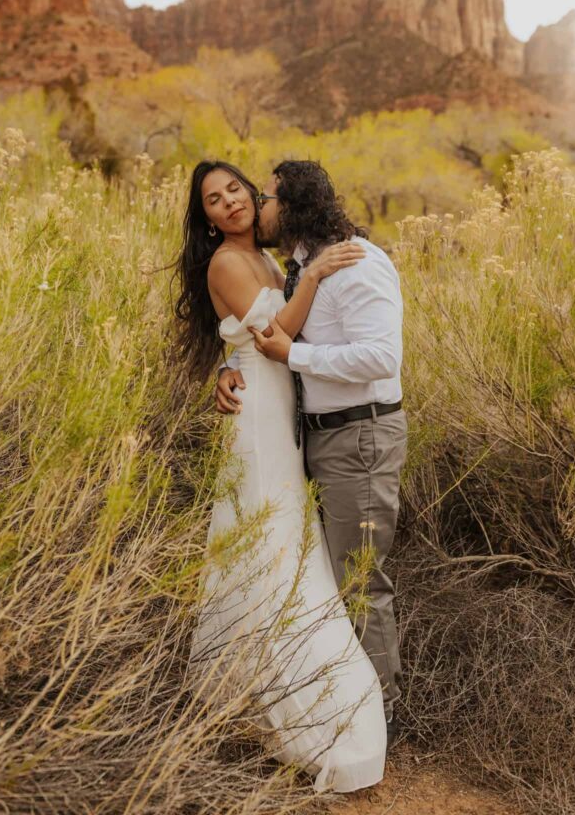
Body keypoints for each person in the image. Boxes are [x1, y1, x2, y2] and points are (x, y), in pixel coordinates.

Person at [174, 159, 387, 793]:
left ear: (252, 194)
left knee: (288, 538)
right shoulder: (226, 264)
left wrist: (225, 360)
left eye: (235, 189)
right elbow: (272, 336)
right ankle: (280, 699)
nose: (230, 203)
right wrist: (316, 275)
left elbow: (252, 340)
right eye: (213, 200)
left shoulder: (268, 259)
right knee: (268, 540)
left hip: (285, 414)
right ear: (206, 217)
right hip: (259, 422)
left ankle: (256, 685)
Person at [216, 160, 407, 746]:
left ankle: (379, 721)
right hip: (316, 436)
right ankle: (340, 705)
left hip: (361, 437)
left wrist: (293, 359)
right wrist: (229, 365)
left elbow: (381, 358)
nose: (251, 204)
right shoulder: (297, 265)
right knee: (327, 575)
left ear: (292, 207)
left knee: (361, 580)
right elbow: (252, 330)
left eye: (263, 197)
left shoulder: (356, 263)